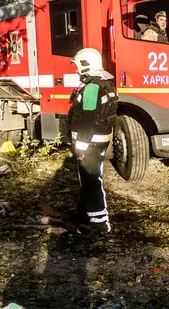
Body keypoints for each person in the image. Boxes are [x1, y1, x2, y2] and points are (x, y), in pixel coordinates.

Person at [68, 48, 118, 234]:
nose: (76, 71)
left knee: (91, 182)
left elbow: (87, 121)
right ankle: (84, 215)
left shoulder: (92, 88)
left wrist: (80, 148)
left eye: (77, 66)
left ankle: (99, 224)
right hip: (98, 142)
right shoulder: (104, 83)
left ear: (85, 65)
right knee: (88, 181)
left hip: (90, 144)